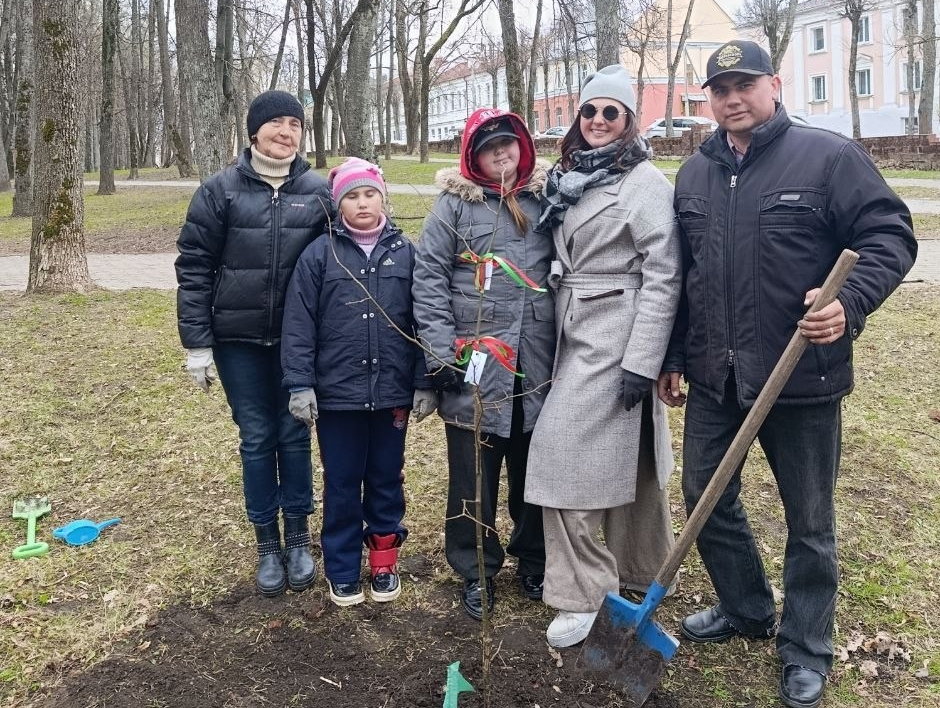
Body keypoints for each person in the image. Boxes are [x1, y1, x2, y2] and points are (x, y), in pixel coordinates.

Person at [657, 39, 917, 708]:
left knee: (810, 521)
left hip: (801, 378)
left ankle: (805, 647)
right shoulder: (694, 175)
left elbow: (890, 235)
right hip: (720, 377)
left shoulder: (829, 158)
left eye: (744, 83)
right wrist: (676, 357)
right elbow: (689, 278)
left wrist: (849, 302)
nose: (731, 98)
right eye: (719, 89)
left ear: (775, 83)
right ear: (707, 100)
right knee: (705, 497)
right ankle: (745, 607)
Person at [525, 65, 682, 649]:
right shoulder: (570, 177)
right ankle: (633, 570)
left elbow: (665, 273)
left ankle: (584, 595)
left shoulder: (641, 181)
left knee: (559, 454)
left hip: (615, 332)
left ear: (629, 122)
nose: (596, 122)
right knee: (616, 457)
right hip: (573, 326)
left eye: (609, 113)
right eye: (588, 112)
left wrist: (642, 359)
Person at [175, 90, 332, 596]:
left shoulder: (317, 190)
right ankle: (267, 542)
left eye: (296, 124)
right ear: (254, 131)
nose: (286, 133)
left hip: (297, 342)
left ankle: (300, 536)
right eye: (276, 123)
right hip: (237, 342)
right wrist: (197, 344)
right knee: (258, 437)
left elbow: (342, 259)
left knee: (294, 434)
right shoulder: (218, 191)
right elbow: (195, 269)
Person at [413, 108, 555, 621]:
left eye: (508, 144)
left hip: (538, 363)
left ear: (523, 147)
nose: (501, 153)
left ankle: (534, 559)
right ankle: (476, 568)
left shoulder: (545, 200)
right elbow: (428, 278)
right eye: (489, 146)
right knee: (473, 471)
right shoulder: (453, 207)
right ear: (472, 155)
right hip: (474, 365)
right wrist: (439, 351)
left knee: (535, 468)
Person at [281, 158, 430, 607]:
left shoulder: (406, 251)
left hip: (392, 397)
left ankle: (384, 561)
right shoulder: (318, 255)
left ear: (383, 197)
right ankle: (342, 567)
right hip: (338, 397)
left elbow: (424, 319)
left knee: (386, 478)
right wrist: (300, 383)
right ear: (338, 203)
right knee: (343, 482)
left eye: (369, 194)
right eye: (351, 195)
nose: (361, 203)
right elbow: (299, 325)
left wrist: (425, 381)